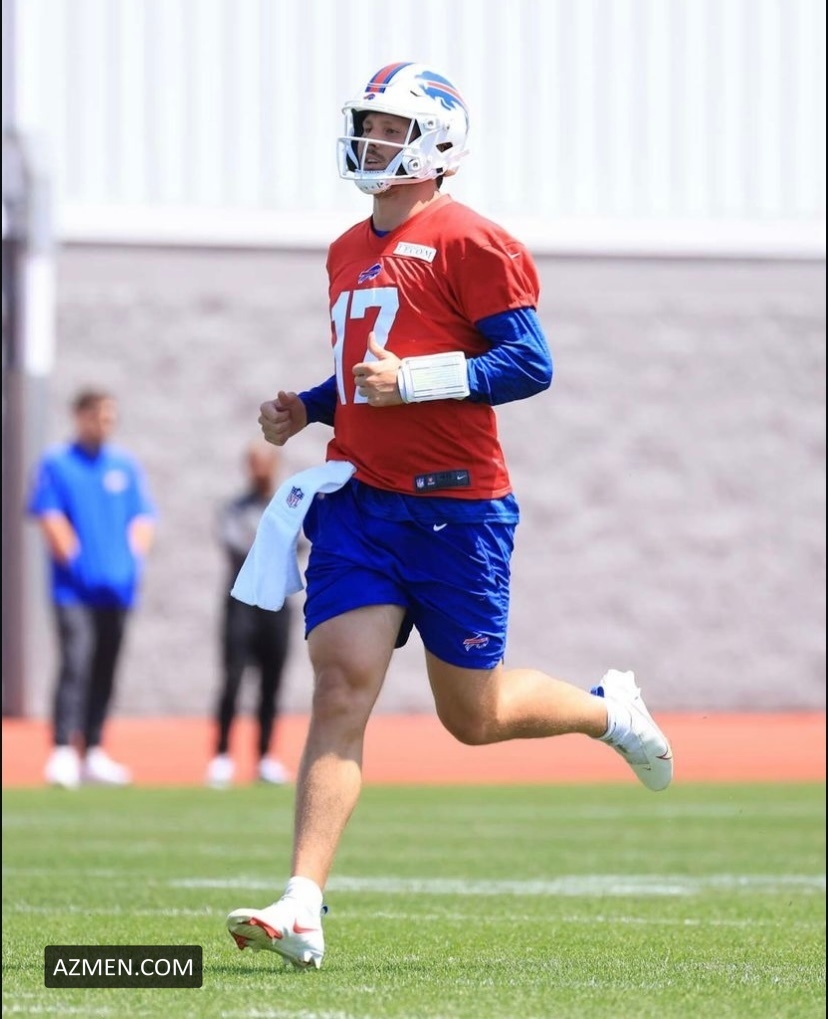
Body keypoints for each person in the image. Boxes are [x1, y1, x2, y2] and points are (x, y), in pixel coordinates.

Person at [227, 62, 673, 969]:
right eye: (368, 124)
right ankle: (302, 902)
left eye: (390, 127)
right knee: (341, 684)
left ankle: (608, 712)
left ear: (434, 141)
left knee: (473, 714)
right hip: (361, 502)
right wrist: (309, 407)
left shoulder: (473, 238)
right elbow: (367, 375)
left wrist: (419, 380)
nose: (372, 140)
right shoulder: (344, 248)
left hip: (457, 511)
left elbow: (530, 362)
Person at [27, 388, 156, 789]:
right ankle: (63, 749)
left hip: (117, 592)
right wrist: (78, 562)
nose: (105, 424)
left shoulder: (124, 465)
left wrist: (130, 563)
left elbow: (142, 518)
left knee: (106, 667)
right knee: (76, 663)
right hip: (74, 592)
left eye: (110, 417)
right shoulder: (57, 463)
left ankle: (94, 748)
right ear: (80, 416)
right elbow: (50, 517)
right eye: (98, 416)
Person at [206, 440, 293, 788]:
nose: (260, 470)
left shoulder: (289, 506)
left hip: (276, 602)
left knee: (272, 682)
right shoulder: (233, 509)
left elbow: (299, 543)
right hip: (241, 604)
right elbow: (238, 547)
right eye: (254, 463)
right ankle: (222, 755)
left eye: (265, 462)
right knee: (232, 680)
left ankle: (265, 756)